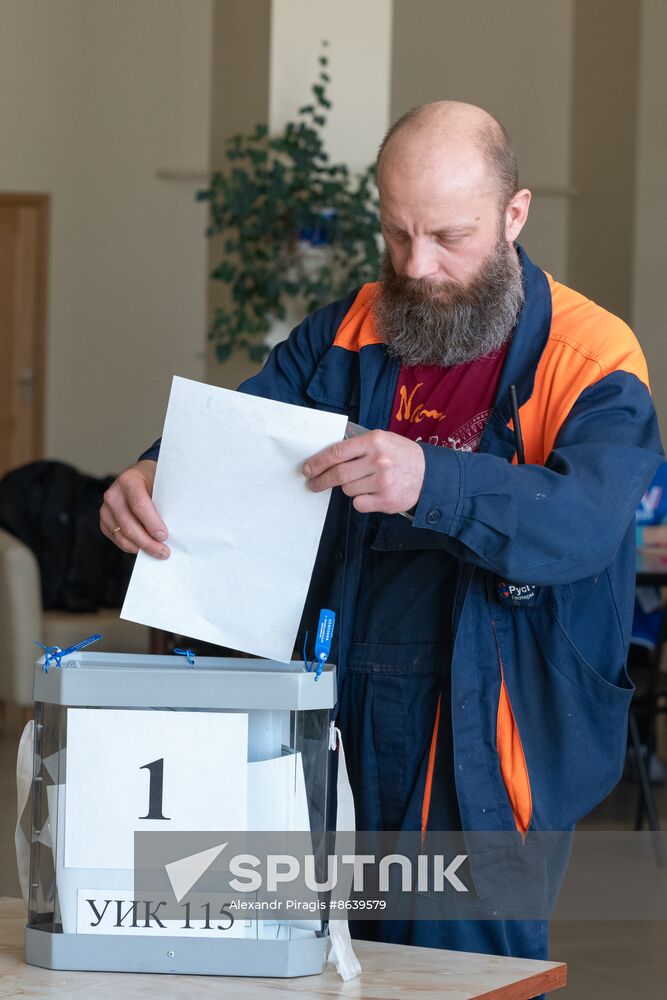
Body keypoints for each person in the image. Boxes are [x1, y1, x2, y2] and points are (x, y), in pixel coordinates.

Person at [100, 102, 663, 972]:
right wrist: (152, 474)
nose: (418, 266)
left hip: (482, 736)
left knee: (461, 976)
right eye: (396, 234)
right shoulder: (343, 333)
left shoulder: (591, 358)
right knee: (305, 963)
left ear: (513, 216)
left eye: (448, 236)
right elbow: (240, 437)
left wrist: (431, 481)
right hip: (331, 711)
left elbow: (581, 526)